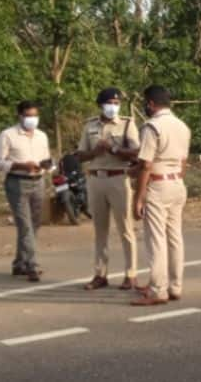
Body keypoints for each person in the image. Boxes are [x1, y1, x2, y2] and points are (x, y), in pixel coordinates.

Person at [131, 85, 191, 306]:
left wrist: (139, 197)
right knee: (175, 237)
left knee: (156, 239)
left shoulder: (152, 127)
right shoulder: (182, 126)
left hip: (158, 184)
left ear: (151, 103)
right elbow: (183, 162)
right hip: (177, 183)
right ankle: (175, 286)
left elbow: (146, 165)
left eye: (145, 103)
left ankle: (158, 289)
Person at [77, 88, 141, 291]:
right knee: (100, 230)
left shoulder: (127, 124)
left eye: (116, 103)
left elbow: (137, 153)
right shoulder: (89, 126)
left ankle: (130, 274)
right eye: (109, 102)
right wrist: (94, 152)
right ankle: (100, 274)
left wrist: (114, 149)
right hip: (96, 178)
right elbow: (80, 155)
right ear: (101, 104)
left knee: (126, 229)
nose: (113, 106)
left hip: (118, 178)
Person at [0, 101, 51, 282]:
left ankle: (20, 262)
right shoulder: (7, 135)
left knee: (34, 224)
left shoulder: (42, 136)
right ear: (19, 116)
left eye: (34, 115)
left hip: (38, 181)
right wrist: (19, 165)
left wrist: (48, 165)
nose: (32, 119)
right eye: (28, 116)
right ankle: (32, 265)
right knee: (24, 224)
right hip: (17, 182)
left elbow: (47, 158)